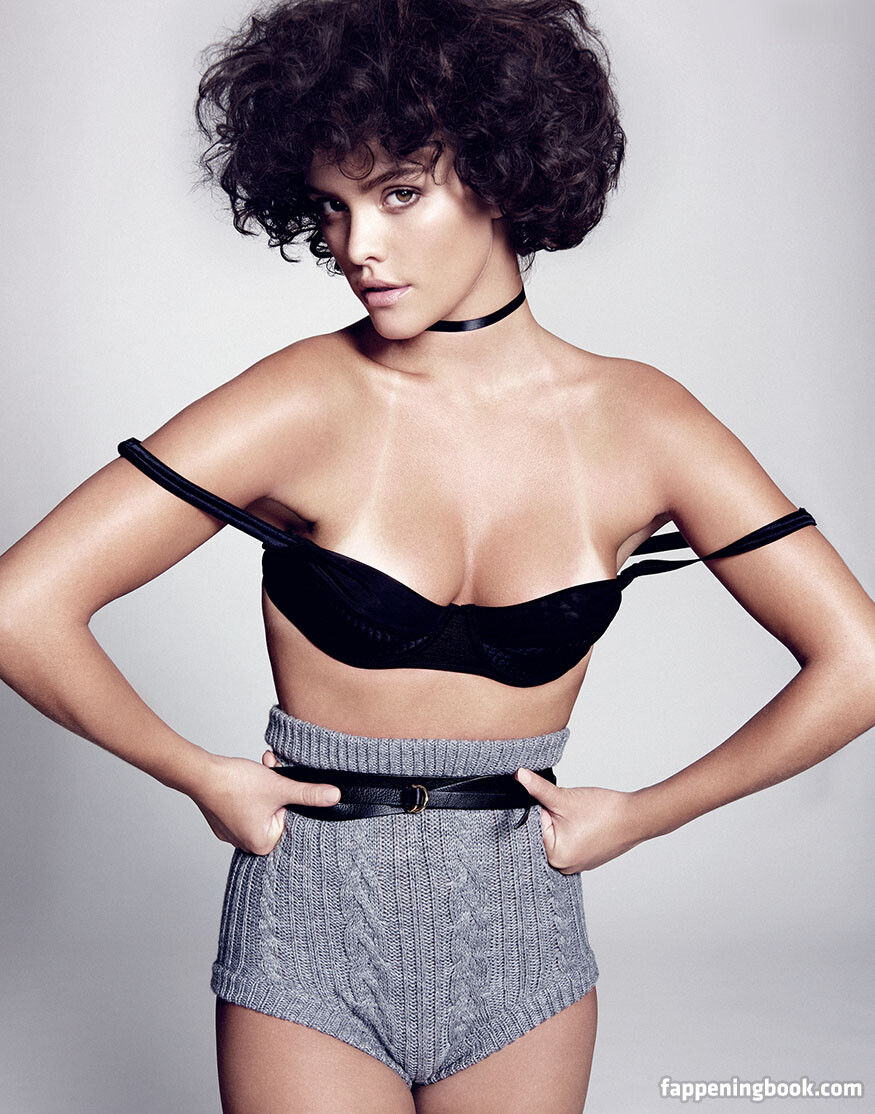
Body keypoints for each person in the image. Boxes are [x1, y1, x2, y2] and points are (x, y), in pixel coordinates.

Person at [1, 1, 873, 1111]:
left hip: (521, 931)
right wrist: (197, 773)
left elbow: (858, 662)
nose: (355, 247)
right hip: (310, 929)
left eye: (398, 193)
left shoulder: (647, 422)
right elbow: (20, 605)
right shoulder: (297, 400)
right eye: (332, 205)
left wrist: (643, 812)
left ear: (502, 172)